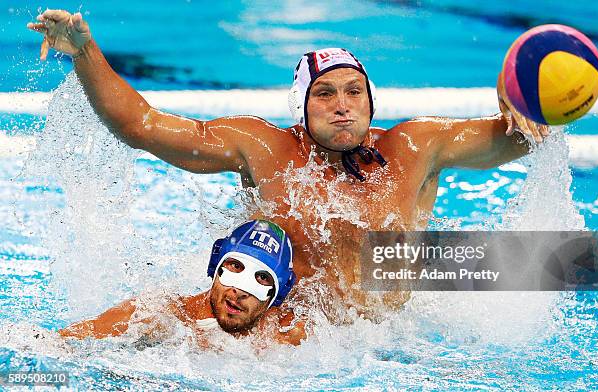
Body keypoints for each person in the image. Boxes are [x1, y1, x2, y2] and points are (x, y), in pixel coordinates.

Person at [28, 10, 550, 317]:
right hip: (285, 336)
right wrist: (85, 52)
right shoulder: (263, 148)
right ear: (301, 108)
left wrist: (528, 110)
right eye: (325, 94)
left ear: (371, 102)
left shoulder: (416, 146)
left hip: (389, 338)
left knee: (556, 264)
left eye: (354, 92)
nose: (343, 104)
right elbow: (140, 126)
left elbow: (514, 141)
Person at [59, 220, 305, 347]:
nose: (239, 291)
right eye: (235, 267)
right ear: (215, 266)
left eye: (262, 278)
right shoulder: (161, 315)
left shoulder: (284, 336)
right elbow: (62, 341)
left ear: (278, 293)